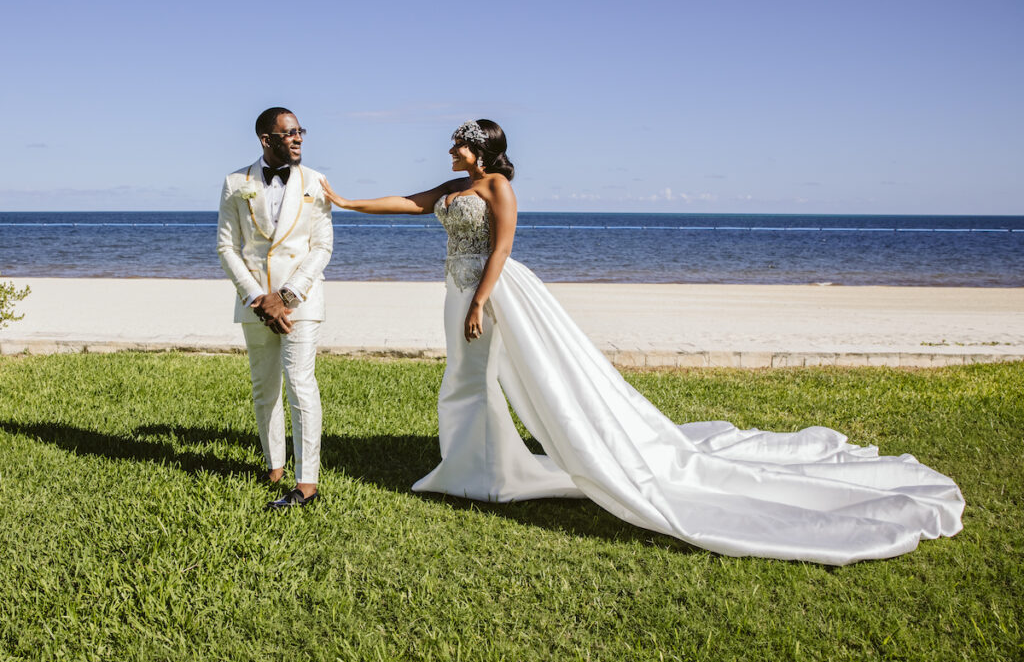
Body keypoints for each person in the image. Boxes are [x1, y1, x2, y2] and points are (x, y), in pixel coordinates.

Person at [320, 119, 964, 565]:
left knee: (472, 378)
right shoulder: (454, 188)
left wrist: (483, 299)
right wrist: (346, 201)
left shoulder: (497, 188)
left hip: (489, 290)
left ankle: (479, 473)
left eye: (459, 147)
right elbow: (407, 202)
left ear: (482, 151)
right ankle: (474, 467)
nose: (451, 153)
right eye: (453, 147)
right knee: (466, 379)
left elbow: (505, 246)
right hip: (456, 289)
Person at [217, 107, 333, 510]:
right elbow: (227, 247)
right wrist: (256, 297)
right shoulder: (236, 183)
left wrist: (285, 296)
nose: (298, 138)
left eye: (301, 131)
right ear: (267, 140)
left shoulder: (316, 182)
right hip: (254, 304)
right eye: (289, 133)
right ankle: (273, 465)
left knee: (301, 385)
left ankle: (306, 481)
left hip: (299, 302)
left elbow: (322, 248)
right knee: (264, 387)